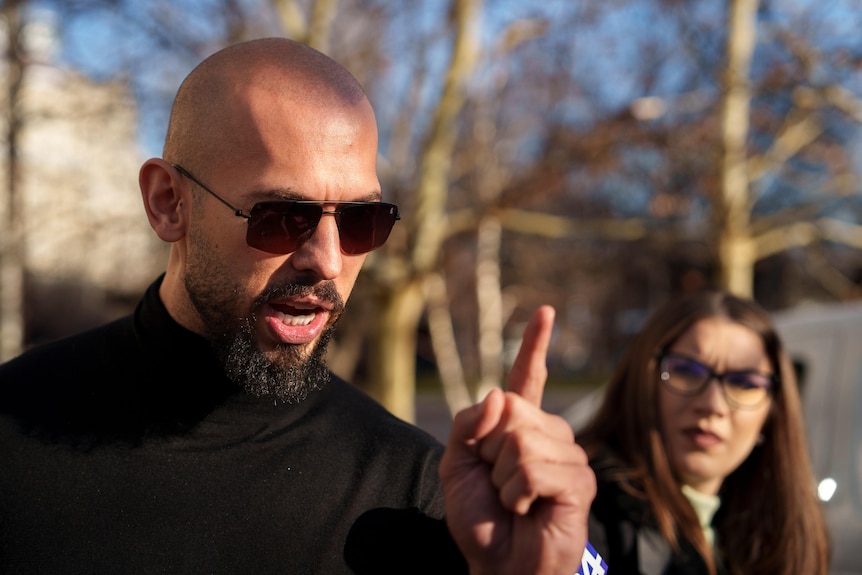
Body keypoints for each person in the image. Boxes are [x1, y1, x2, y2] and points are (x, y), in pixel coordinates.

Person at [0, 38, 596, 574]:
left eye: (362, 221)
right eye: (284, 216)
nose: (328, 261)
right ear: (167, 203)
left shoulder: (426, 497)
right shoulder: (13, 428)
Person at [575, 290, 830, 574]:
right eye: (686, 370)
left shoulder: (778, 533)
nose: (713, 404)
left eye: (744, 383)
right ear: (642, 381)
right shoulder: (583, 507)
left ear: (773, 411)